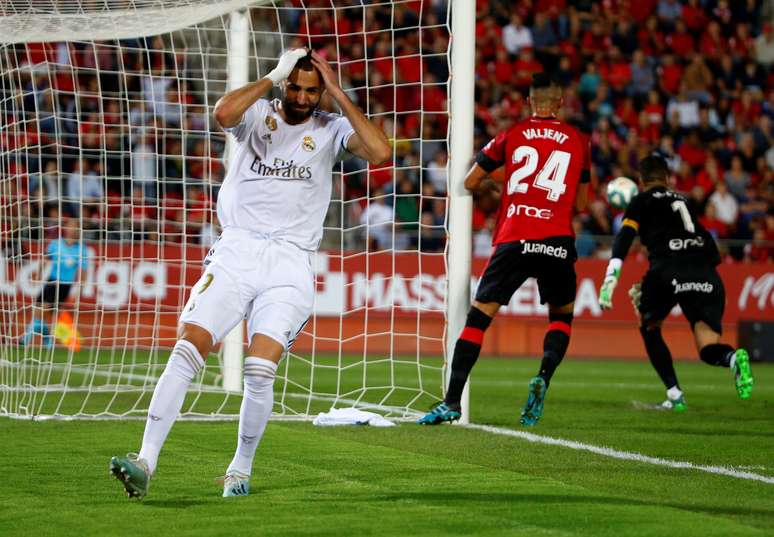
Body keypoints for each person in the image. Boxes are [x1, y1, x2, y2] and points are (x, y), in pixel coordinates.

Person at [110, 48, 390, 499]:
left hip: (290, 262)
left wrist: (336, 91)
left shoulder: (332, 127)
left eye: (311, 90)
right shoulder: (256, 114)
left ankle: (239, 471)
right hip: (237, 250)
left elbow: (379, 150)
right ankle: (145, 461)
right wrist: (270, 76)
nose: (301, 96)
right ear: (283, 83)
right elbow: (222, 112)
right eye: (294, 87)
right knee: (188, 346)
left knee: (260, 369)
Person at [418, 73, 590, 427]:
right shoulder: (578, 141)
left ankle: (452, 401)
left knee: (478, 319)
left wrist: (508, 183)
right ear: (560, 103)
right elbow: (582, 203)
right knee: (561, 317)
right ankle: (544, 374)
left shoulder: (512, 135)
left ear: (530, 101)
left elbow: (470, 180)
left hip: (515, 236)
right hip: (557, 238)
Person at [598, 155, 753, 411]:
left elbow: (624, 237)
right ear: (668, 179)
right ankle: (733, 358)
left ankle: (675, 395)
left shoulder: (641, 200)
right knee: (708, 348)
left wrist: (610, 278)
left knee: (648, 325)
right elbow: (714, 252)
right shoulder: (685, 201)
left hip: (667, 269)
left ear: (640, 180)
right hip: (706, 274)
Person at [21, 217, 87, 350]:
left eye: (75, 226)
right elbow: (46, 259)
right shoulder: (55, 244)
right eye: (70, 225)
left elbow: (83, 271)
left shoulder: (81, 249)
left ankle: (27, 337)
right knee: (40, 309)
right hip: (51, 280)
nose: (73, 229)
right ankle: (47, 338)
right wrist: (39, 272)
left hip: (64, 284)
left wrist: (80, 289)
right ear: (65, 228)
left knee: (45, 309)